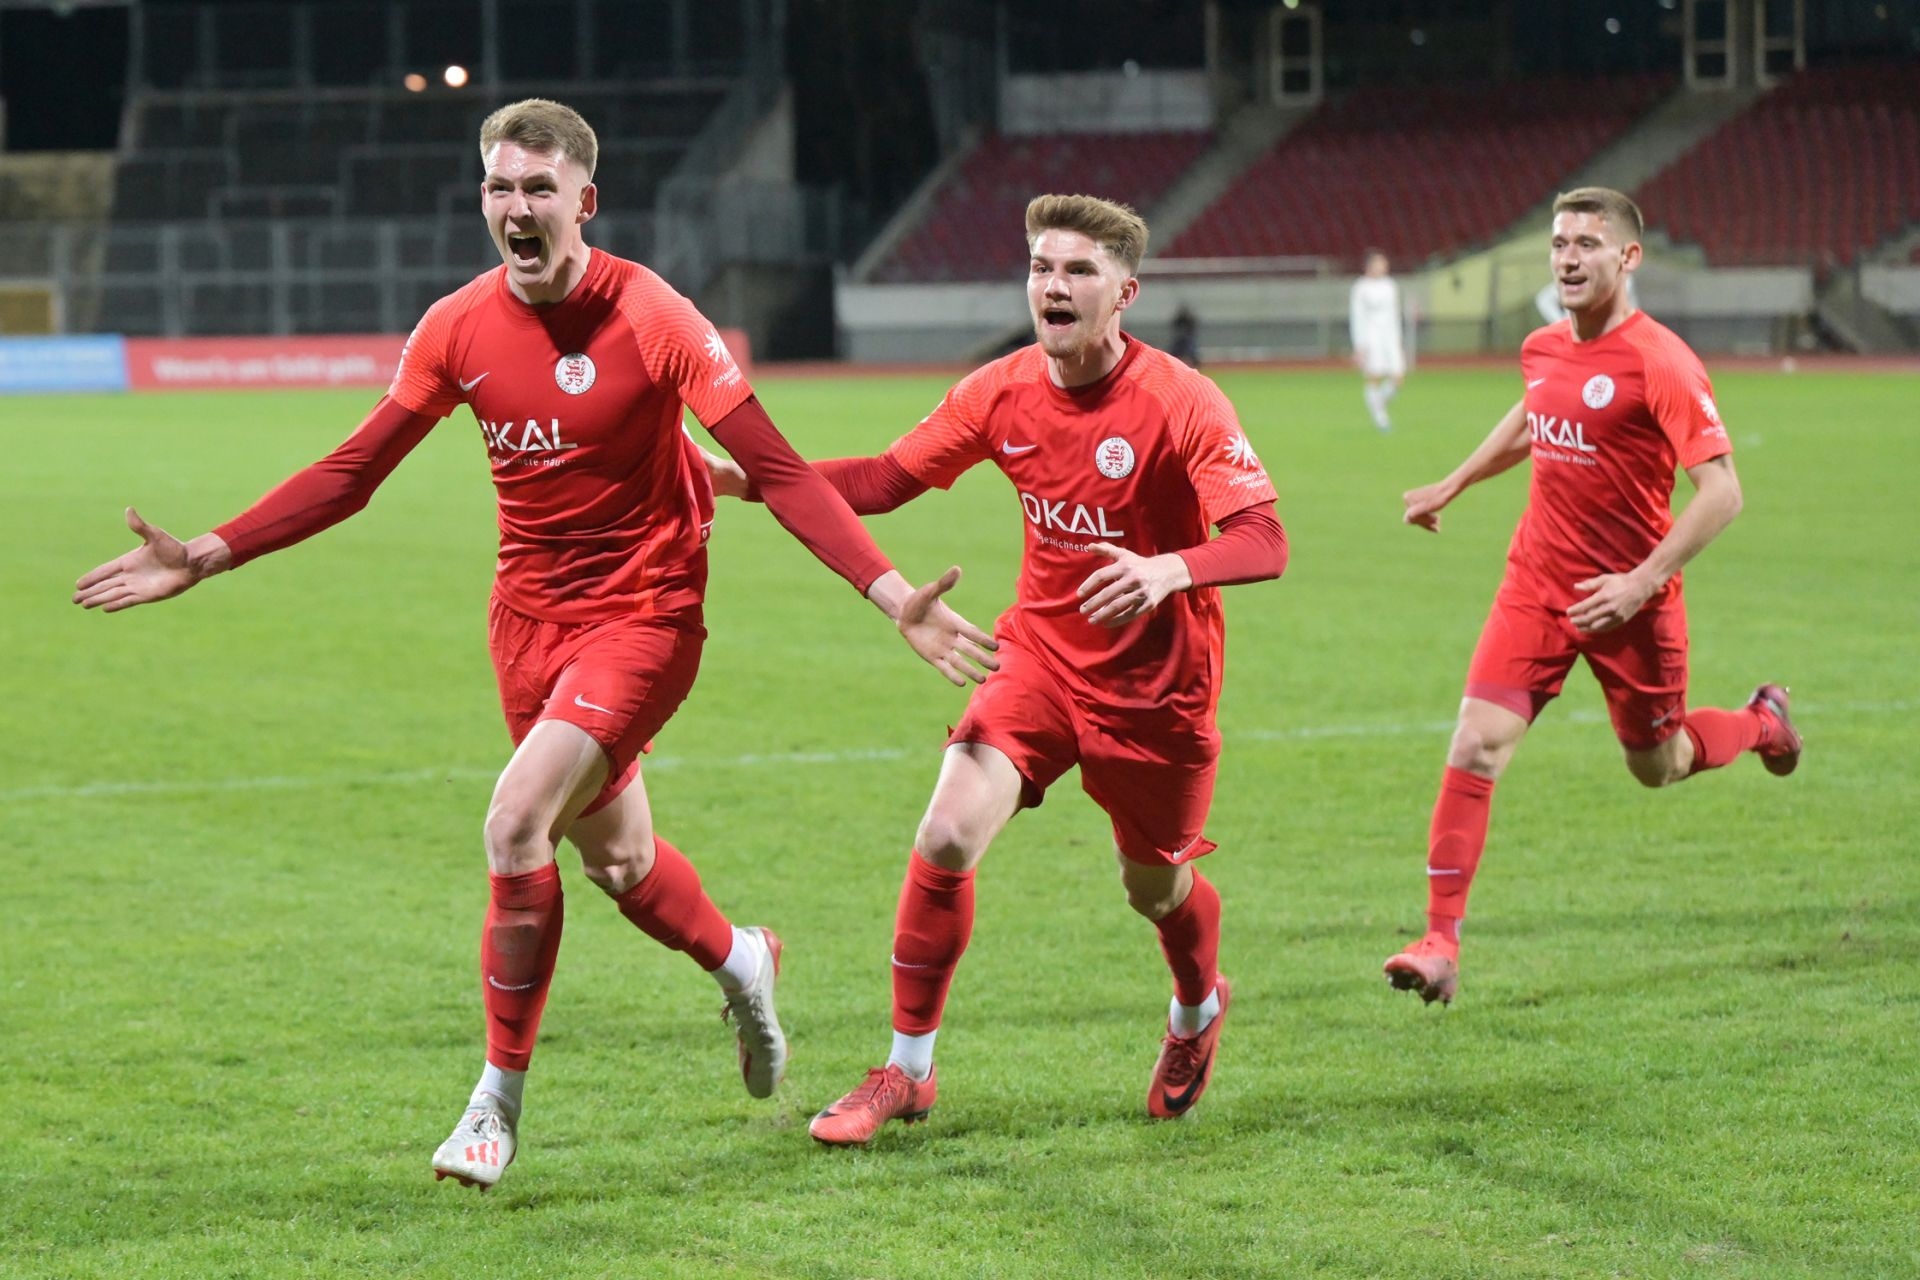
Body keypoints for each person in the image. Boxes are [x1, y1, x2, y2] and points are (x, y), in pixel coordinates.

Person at [72, 99, 997, 1190]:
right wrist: (208, 551)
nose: (518, 207)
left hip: (646, 615)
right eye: (500, 188)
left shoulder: (653, 316)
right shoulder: (456, 326)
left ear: (583, 201)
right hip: (525, 625)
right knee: (620, 863)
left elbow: (781, 470)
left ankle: (494, 1106)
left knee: (515, 824)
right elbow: (353, 473)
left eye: (539, 189)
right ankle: (742, 957)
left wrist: (889, 593)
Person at [709, 194, 1288, 1142]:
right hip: (1039, 661)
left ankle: (1196, 1008)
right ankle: (907, 1072)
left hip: (1159, 693)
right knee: (945, 834)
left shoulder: (1181, 400)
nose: (1053, 286)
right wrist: (755, 479)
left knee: (1154, 888)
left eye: (1079, 271)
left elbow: (1264, 537)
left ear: (1125, 293)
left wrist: (1168, 569)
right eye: (1041, 268)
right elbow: (887, 479)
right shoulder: (1001, 388)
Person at [1381, 187, 1801, 1007]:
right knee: (1475, 744)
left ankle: (1762, 723)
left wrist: (1641, 582)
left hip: (1634, 603)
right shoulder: (1542, 346)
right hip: (1537, 584)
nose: (1569, 259)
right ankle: (1439, 942)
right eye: (1559, 243)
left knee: (1659, 764)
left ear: (1628, 257)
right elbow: (1535, 414)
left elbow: (1723, 492)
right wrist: (1455, 481)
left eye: (1587, 244)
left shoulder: (1661, 361)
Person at [1349, 250, 1406, 431]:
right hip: (1371, 337)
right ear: (1369, 266)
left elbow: (1395, 314)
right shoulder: (1360, 287)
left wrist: (1399, 339)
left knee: (1398, 377)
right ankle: (1380, 417)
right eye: (1379, 263)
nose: (1383, 266)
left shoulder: (1390, 285)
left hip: (1390, 336)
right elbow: (1357, 316)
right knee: (1374, 375)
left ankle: (1377, 404)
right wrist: (1359, 345)